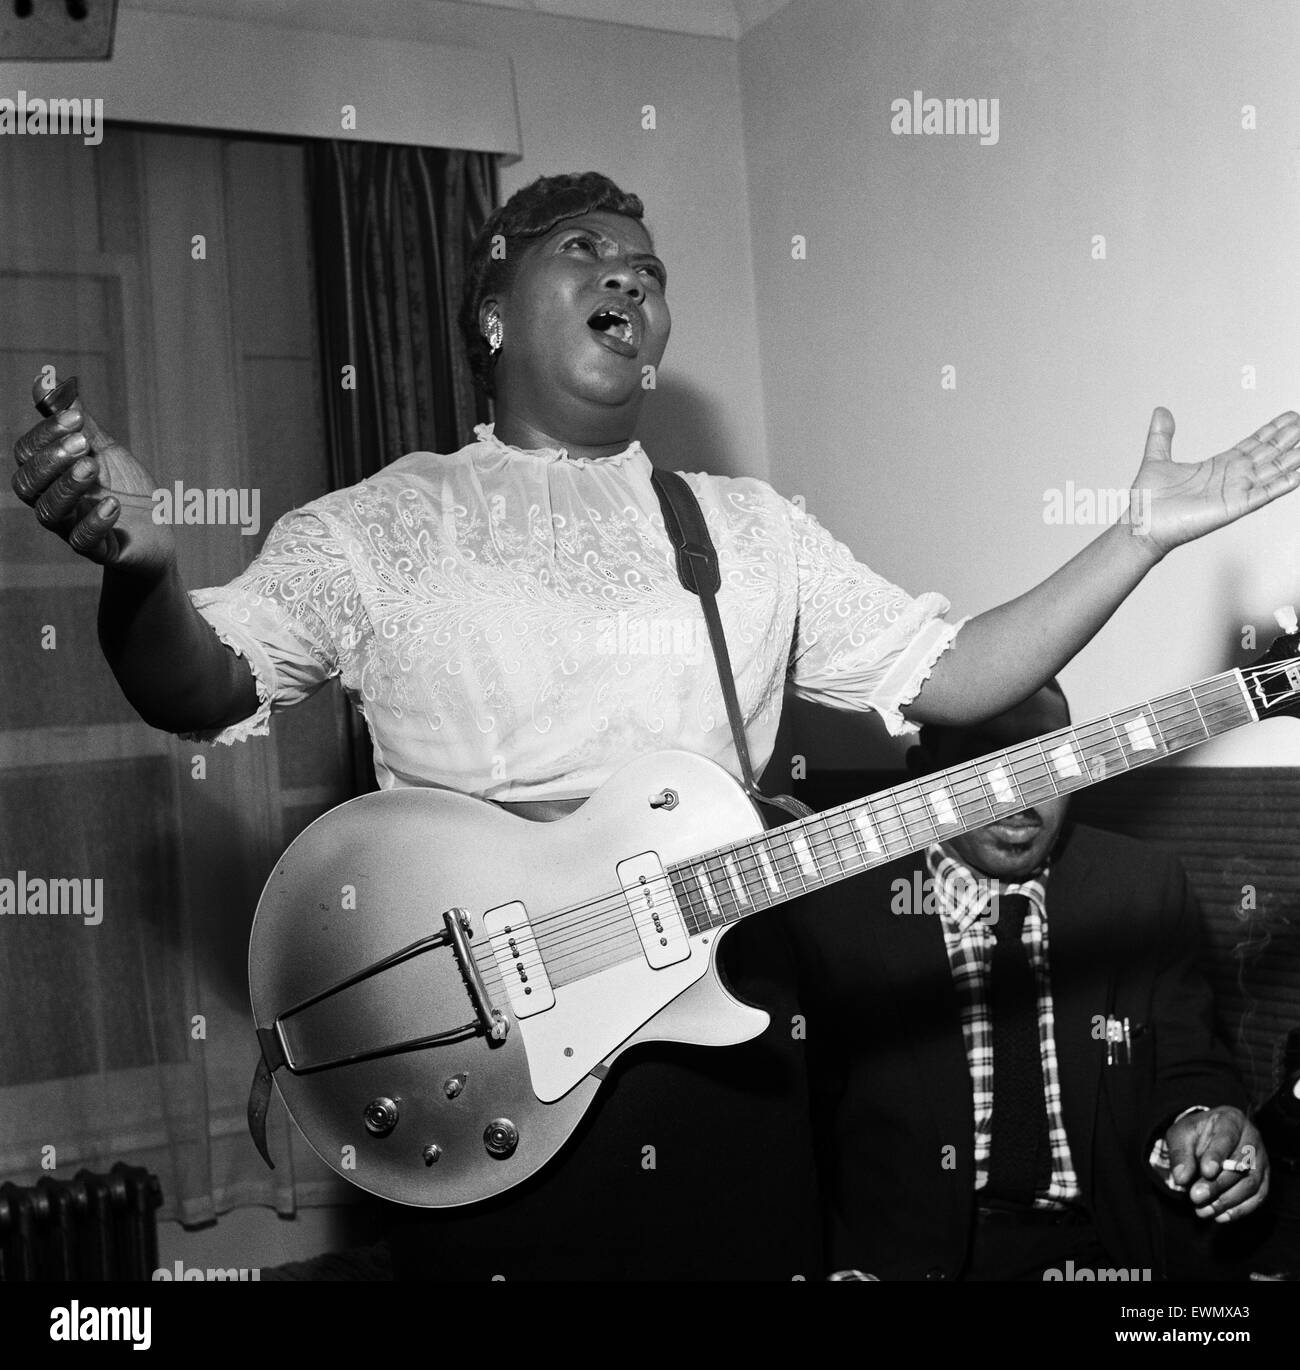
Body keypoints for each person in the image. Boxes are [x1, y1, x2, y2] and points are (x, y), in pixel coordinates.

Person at [10, 171, 1298, 1279]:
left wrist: (1135, 537)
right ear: (492, 308)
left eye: (651, 268)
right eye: (586, 250)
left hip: (717, 1031)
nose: (630, 275)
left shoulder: (744, 526)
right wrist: (138, 570)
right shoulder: (379, 524)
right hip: (479, 1054)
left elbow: (956, 674)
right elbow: (200, 684)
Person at [792, 683, 1271, 1281]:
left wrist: (1202, 1125)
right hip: (901, 1263)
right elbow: (783, 1135)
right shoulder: (834, 911)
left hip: (1104, 1256)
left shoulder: (1140, 887)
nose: (1017, 798)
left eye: (1046, 763)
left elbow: (1184, 1062)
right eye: (984, 763)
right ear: (923, 773)